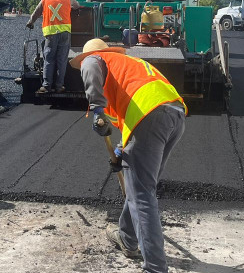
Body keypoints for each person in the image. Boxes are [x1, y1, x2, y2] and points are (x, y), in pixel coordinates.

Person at [70, 38, 187, 273]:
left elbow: (90, 67)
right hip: (175, 115)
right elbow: (131, 116)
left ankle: (155, 267)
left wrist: (96, 110)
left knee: (141, 195)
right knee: (140, 186)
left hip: (150, 117)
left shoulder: (96, 59)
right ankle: (127, 238)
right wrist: (121, 153)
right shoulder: (128, 66)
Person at [26, 0, 80, 93]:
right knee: (62, 60)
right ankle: (59, 86)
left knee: (49, 59)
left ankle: (46, 86)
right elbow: (76, 5)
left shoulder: (45, 0)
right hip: (64, 32)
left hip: (51, 34)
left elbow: (36, 12)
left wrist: (31, 22)